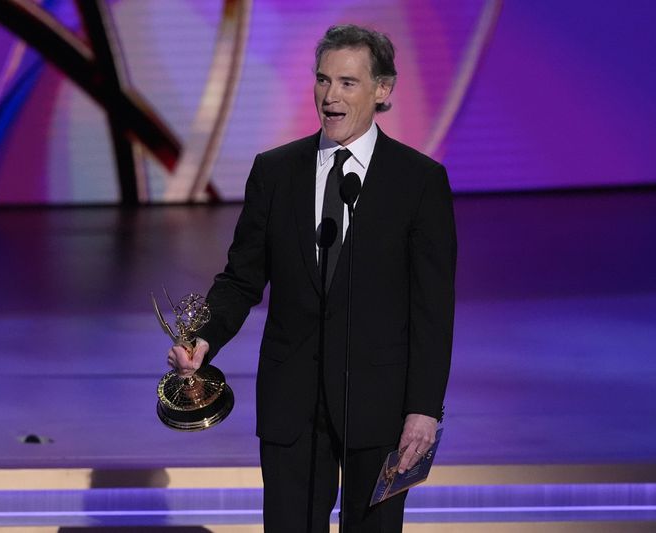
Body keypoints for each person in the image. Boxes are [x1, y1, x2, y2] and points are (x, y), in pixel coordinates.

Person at [167, 24, 456, 532]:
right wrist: (204, 338)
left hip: (380, 408)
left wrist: (424, 409)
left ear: (382, 90)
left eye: (348, 83)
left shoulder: (419, 182)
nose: (330, 96)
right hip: (292, 403)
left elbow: (432, 309)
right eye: (322, 80)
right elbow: (241, 278)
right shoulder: (275, 173)